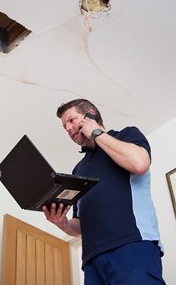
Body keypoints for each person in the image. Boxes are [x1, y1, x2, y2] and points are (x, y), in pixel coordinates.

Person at [43, 98, 165, 285]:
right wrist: (63, 223)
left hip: (132, 245)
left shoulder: (126, 135)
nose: (68, 128)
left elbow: (140, 163)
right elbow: (80, 225)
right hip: (92, 261)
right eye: (64, 127)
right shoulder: (78, 170)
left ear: (90, 115)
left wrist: (96, 132)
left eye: (72, 120)